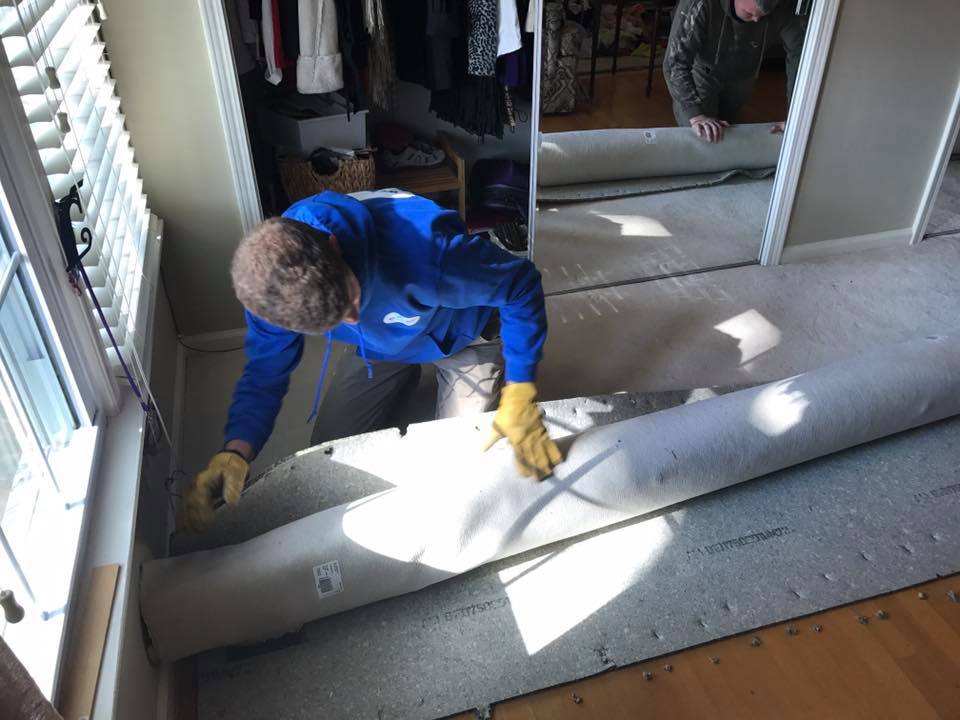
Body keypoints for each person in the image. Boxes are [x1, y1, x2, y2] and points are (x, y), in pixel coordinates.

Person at [180, 189, 562, 531]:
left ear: (334, 246)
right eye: (334, 320)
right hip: (378, 349)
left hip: (464, 336)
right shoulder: (270, 292)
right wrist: (236, 451)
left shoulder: (428, 253)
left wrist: (521, 390)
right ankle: (403, 373)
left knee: (459, 463)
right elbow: (266, 372)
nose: (351, 319)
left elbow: (521, 285)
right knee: (328, 460)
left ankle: (435, 377)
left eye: (351, 298)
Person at [663, 0, 808, 143]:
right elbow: (675, 62)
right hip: (702, 73)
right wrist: (696, 115)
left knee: (728, 139)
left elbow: (800, 55)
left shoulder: (783, 5)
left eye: (764, 15)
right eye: (750, 14)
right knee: (703, 139)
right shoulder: (699, 4)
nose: (757, 19)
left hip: (743, 75)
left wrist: (795, 115)